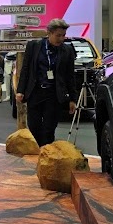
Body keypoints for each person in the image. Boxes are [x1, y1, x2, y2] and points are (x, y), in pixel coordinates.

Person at [15, 18, 76, 147]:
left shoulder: (67, 50)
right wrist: (20, 90)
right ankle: (40, 150)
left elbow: (70, 76)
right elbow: (25, 69)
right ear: (49, 33)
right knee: (34, 126)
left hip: (54, 95)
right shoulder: (34, 46)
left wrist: (72, 99)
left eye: (63, 35)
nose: (61, 39)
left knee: (49, 129)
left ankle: (46, 153)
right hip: (35, 92)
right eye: (58, 35)